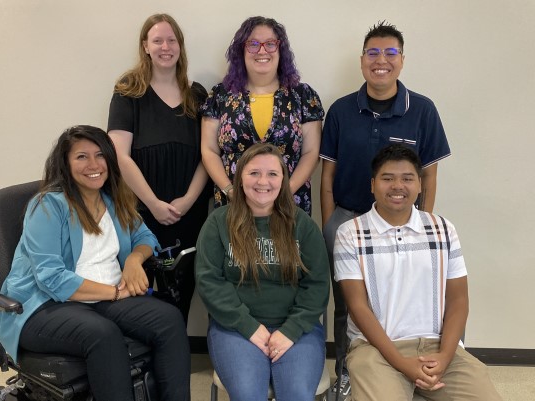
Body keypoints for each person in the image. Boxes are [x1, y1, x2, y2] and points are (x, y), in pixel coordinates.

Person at [0, 126, 191, 401]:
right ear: (65, 163)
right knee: (103, 335)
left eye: (100, 155)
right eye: (81, 157)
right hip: (44, 305)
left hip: (105, 298)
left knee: (170, 319)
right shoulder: (48, 206)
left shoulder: (113, 201)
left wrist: (134, 260)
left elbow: (145, 236)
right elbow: (52, 278)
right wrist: (114, 292)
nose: (94, 165)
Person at [319, 21, 451, 398]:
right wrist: (331, 224)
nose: (381, 61)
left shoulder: (423, 110)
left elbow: (428, 175)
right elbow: (327, 176)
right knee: (346, 303)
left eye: (390, 53)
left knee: (404, 295)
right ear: (362, 61)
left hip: (402, 220)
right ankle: (347, 371)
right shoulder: (342, 110)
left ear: (402, 60)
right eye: (373, 53)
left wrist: (422, 223)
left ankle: (407, 365)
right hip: (349, 218)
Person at [334, 144, 502, 401]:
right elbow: (357, 307)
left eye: (407, 179)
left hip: (438, 347)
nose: (397, 186)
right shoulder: (349, 233)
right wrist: (403, 364)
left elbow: (458, 300)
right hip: (376, 349)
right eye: (387, 178)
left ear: (420, 185)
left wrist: (445, 357)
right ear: (372, 184)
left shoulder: (443, 228)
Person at [195, 143, 330, 401]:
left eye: (272, 174)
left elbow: (317, 285)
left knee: (298, 395)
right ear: (239, 177)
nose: (263, 182)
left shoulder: (303, 225)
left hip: (297, 328)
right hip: (234, 328)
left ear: (283, 179)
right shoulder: (218, 223)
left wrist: (291, 330)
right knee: (247, 395)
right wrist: (247, 325)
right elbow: (209, 281)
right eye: (254, 173)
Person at [108, 13, 210, 323]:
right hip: (140, 212)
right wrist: (153, 204)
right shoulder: (128, 92)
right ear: (145, 47)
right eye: (157, 40)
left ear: (180, 45)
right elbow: (120, 156)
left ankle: (173, 357)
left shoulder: (198, 95)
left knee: (182, 288)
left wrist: (188, 200)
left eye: (172, 40)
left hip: (188, 212)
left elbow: (208, 154)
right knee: (140, 289)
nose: (165, 47)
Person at [201, 16, 324, 215]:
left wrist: (283, 192)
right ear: (241, 50)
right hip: (233, 206)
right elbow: (209, 150)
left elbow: (311, 153)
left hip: (288, 205)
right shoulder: (220, 95)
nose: (262, 51)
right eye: (253, 44)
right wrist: (231, 191)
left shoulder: (303, 96)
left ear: (280, 49)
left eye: (270, 44)